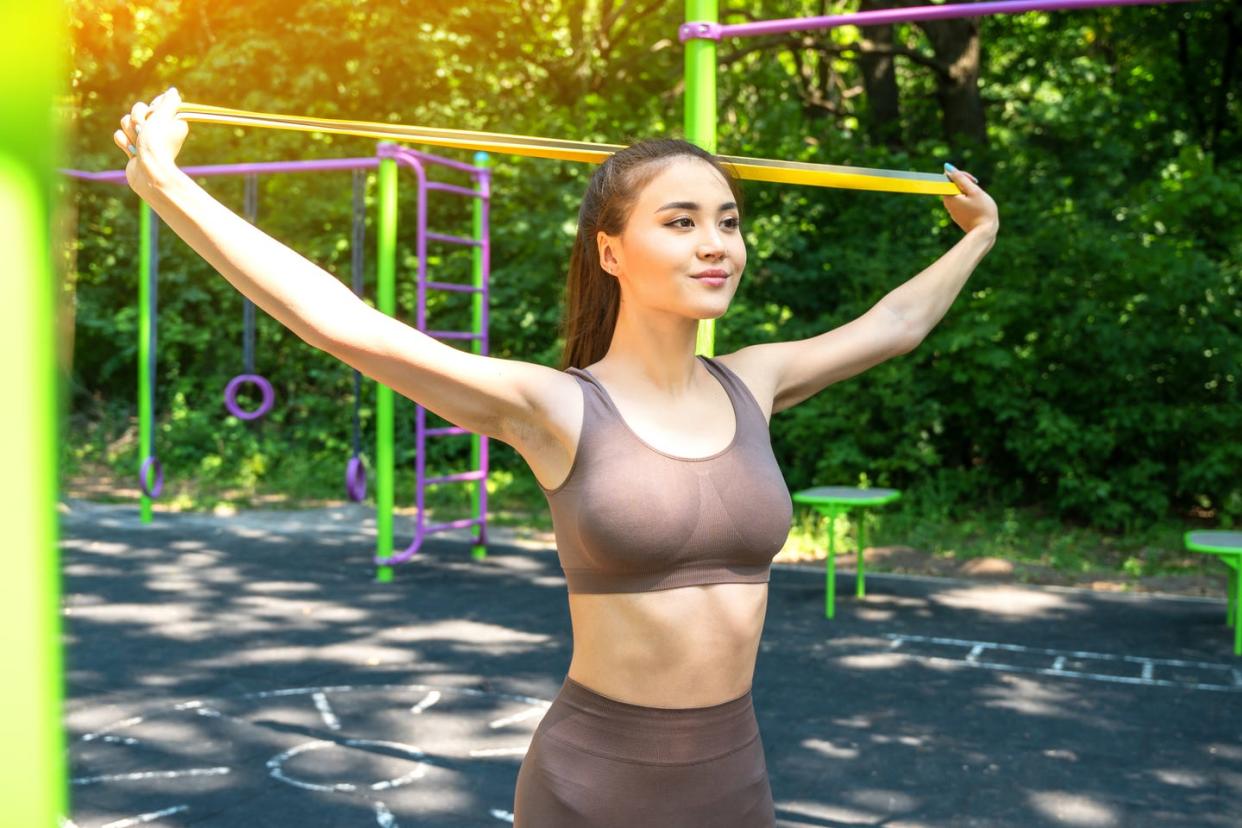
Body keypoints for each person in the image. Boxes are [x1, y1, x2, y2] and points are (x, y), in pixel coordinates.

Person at [116, 87, 998, 827]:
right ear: (612, 250)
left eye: (727, 221)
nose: (714, 243)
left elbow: (896, 326)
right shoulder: (558, 407)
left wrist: (977, 235)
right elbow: (341, 322)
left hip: (735, 779)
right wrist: (164, 184)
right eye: (681, 220)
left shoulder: (753, 382)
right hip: (594, 785)